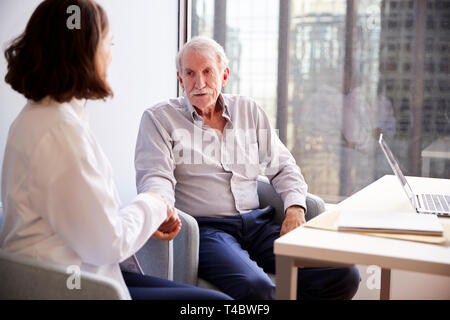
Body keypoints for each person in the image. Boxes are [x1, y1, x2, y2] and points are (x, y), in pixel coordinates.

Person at [0, 0, 230, 300]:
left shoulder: (39, 118)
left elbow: (89, 221)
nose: (110, 53)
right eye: (108, 43)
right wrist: (155, 204)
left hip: (76, 274)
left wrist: (144, 222)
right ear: (84, 51)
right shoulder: (60, 132)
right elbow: (109, 243)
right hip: (71, 287)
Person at [135, 36, 361, 300]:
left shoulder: (249, 110)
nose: (199, 83)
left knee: (343, 274)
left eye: (207, 71)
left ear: (224, 75)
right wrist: (162, 209)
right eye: (190, 73)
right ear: (180, 78)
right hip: (208, 231)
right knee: (257, 287)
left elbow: (283, 165)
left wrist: (295, 208)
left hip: (258, 225)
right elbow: (156, 178)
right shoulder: (159, 119)